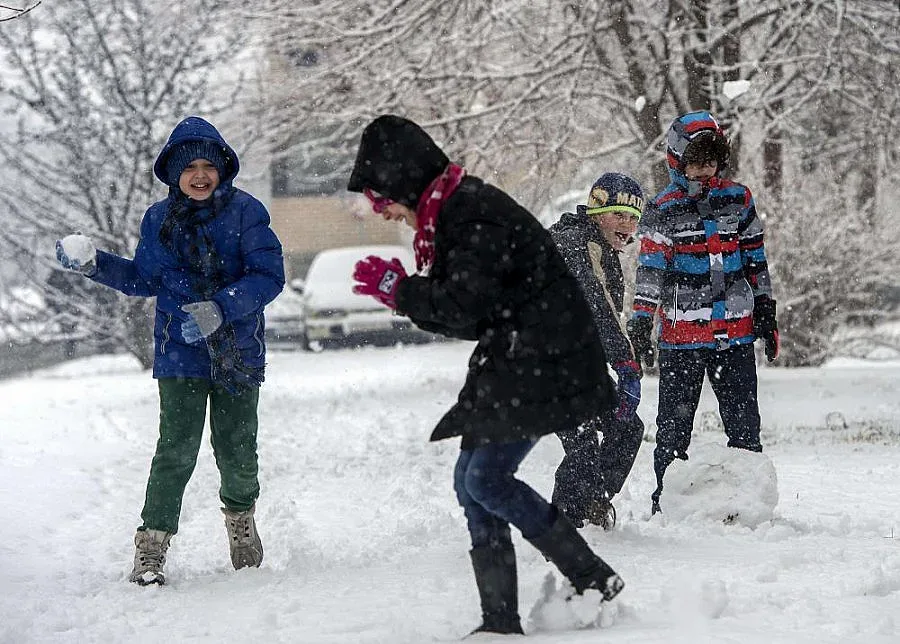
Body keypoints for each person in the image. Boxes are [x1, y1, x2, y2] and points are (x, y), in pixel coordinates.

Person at [347, 114, 625, 636]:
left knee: (486, 478)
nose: (384, 214)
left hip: (546, 358)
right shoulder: (453, 212)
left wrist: (402, 291)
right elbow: (473, 314)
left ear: (403, 182)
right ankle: (501, 620)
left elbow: (462, 303)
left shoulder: (470, 214)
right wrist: (402, 292)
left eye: (383, 200)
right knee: (471, 482)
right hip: (517, 355)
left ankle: (591, 575)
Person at [55, 116, 285, 585]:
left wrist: (221, 308)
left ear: (222, 169)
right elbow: (144, 279)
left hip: (236, 351)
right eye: (189, 167)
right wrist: (95, 264)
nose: (200, 174)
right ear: (173, 173)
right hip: (178, 350)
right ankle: (152, 547)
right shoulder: (159, 219)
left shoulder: (247, 212)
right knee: (175, 451)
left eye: (208, 165)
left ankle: (240, 523)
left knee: (237, 450)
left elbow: (268, 276)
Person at [626, 110, 779, 515]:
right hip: (682, 340)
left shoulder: (738, 199)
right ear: (676, 161)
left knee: (744, 424)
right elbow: (651, 271)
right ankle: (667, 502)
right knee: (674, 429)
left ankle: (748, 503)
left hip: (735, 334)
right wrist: (641, 321)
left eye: (710, 162)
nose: (703, 171)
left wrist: (765, 307)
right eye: (694, 163)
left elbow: (755, 258)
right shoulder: (663, 208)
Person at [548, 172, 646, 531]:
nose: (627, 224)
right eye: (619, 214)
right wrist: (626, 364)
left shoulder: (601, 250)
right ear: (596, 211)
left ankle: (591, 502)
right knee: (583, 441)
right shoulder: (576, 244)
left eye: (634, 218)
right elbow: (598, 305)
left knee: (626, 428)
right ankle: (563, 525)